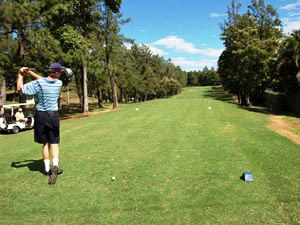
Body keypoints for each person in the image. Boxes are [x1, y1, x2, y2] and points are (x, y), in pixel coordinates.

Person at [17, 63, 65, 185]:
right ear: (57, 73)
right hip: (53, 115)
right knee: (54, 142)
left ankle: (47, 169)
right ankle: (55, 166)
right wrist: (30, 73)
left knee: (45, 143)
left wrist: (21, 74)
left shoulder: (38, 84)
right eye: (60, 72)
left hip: (41, 116)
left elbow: (20, 88)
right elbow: (42, 80)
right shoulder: (59, 83)